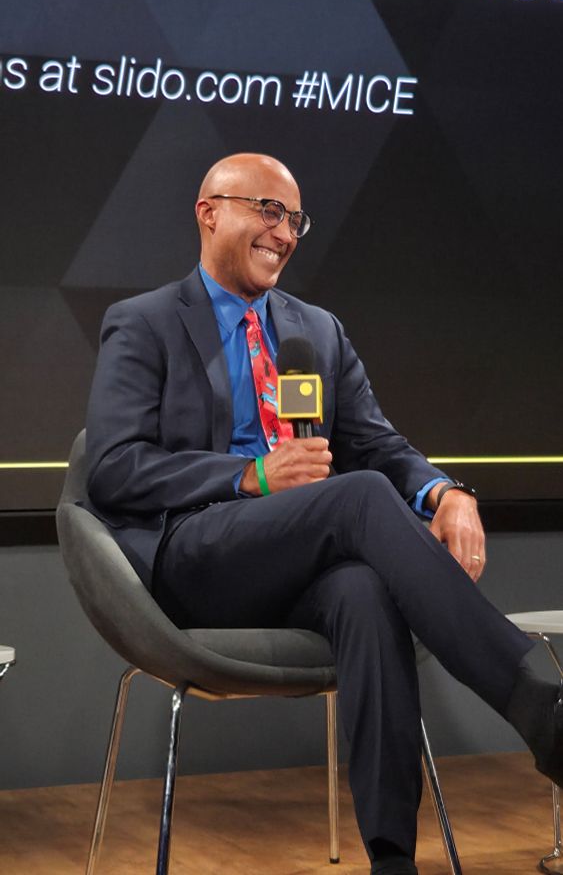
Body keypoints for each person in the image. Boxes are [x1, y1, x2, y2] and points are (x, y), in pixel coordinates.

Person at [85, 152, 563, 875]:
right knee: (359, 495)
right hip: (196, 556)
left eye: (295, 219)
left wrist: (446, 493)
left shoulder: (316, 331)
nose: (284, 233)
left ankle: (392, 858)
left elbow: (376, 443)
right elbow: (113, 468)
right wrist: (249, 475)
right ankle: (538, 706)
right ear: (209, 212)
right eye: (267, 210)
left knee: (364, 593)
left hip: (298, 560)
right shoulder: (144, 322)